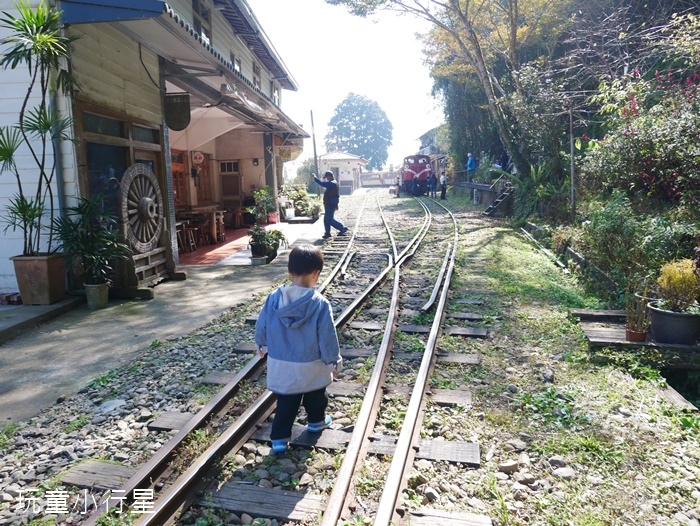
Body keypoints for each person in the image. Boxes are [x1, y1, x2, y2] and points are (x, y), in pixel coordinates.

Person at [255, 244, 342, 453]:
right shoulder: (320, 303)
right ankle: (316, 422)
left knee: (286, 401)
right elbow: (327, 336)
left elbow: (262, 324)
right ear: (316, 273)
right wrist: (333, 361)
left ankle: (278, 440)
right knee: (316, 396)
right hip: (311, 364)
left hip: (281, 362)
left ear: (290, 272)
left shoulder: (274, 298)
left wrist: (262, 344)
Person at [313, 171, 348, 239]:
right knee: (326, 219)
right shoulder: (335, 183)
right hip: (332, 203)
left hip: (329, 204)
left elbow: (321, 183)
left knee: (329, 219)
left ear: (329, 176)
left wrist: (315, 178)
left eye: (327, 177)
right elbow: (337, 195)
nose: (326, 178)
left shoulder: (331, 183)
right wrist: (337, 204)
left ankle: (342, 227)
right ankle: (327, 233)